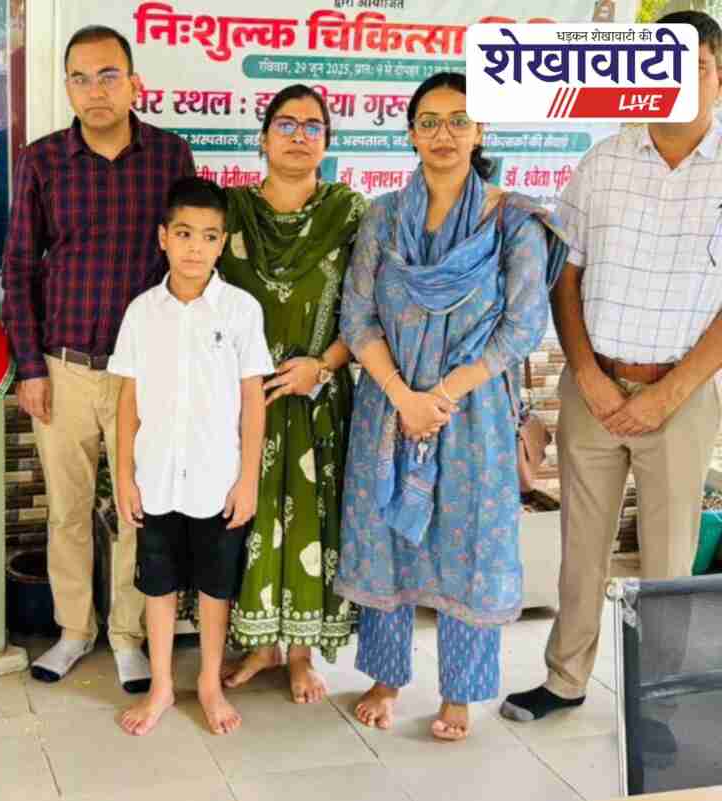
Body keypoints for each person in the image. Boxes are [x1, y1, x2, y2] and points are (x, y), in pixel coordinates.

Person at [503, 11, 722, 729]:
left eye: (695, 66)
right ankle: (565, 680)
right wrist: (588, 375)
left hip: (682, 396)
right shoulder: (604, 159)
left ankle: (661, 701)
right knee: (580, 549)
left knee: (667, 558)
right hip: (593, 384)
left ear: (718, 74)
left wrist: (672, 391)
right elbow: (566, 275)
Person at [336, 72, 567, 741]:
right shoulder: (381, 217)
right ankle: (385, 676)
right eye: (429, 121)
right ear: (410, 133)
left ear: (481, 131)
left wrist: (440, 395)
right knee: (387, 540)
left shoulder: (514, 221)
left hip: (472, 415)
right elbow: (357, 317)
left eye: (459, 119)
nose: (444, 133)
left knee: (468, 544)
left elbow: (522, 327)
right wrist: (405, 397)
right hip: (390, 405)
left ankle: (460, 693)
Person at [2, 25, 195, 692]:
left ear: (135, 82)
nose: (95, 90)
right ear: (67, 88)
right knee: (68, 509)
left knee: (140, 511)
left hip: (143, 374)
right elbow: (20, 265)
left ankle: (128, 635)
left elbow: (188, 261)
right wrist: (29, 365)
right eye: (80, 78)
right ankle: (74, 630)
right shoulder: (42, 160)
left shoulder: (170, 156)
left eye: (108, 75)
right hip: (62, 368)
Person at [111, 177, 272, 736]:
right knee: (156, 585)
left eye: (208, 236)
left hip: (216, 479)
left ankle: (206, 682)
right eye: (183, 233)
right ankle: (159, 686)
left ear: (222, 243)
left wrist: (246, 479)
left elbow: (254, 400)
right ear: (163, 238)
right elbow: (128, 399)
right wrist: (125, 477)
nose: (195, 248)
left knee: (214, 588)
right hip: (155, 478)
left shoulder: (242, 311)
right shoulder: (141, 312)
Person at [218, 84, 364, 704]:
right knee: (245, 523)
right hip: (241, 400)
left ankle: (300, 654)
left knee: (311, 523)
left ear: (326, 142)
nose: (298, 135)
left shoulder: (350, 213)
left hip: (316, 397)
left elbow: (370, 311)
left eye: (312, 125)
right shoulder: (229, 212)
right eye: (286, 124)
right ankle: (260, 645)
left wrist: (322, 366)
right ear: (263, 137)